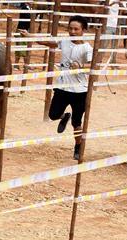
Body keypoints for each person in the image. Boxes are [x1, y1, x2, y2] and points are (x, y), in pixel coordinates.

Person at [40, 15, 94, 161]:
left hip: (80, 91)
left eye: (76, 29)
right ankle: (64, 116)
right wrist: (29, 37)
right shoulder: (64, 42)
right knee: (52, 115)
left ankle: (77, 147)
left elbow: (94, 66)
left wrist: (81, 66)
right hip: (62, 87)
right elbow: (49, 43)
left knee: (77, 123)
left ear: (83, 30)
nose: (72, 31)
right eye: (70, 28)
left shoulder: (87, 48)